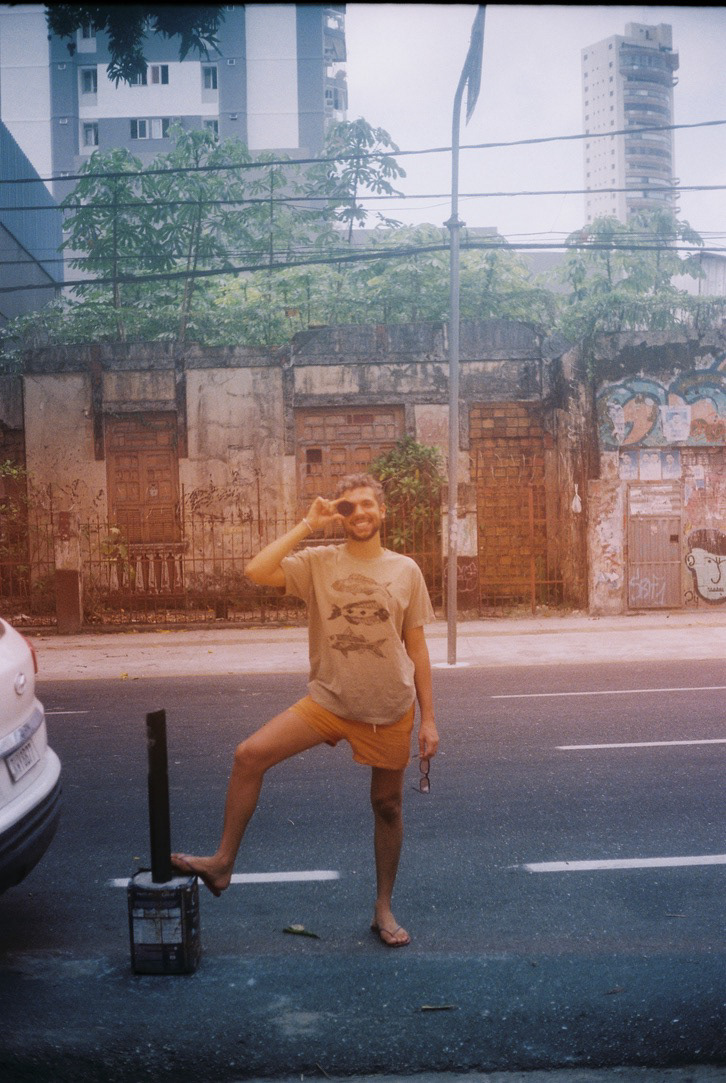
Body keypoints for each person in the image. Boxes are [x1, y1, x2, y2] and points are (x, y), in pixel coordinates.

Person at [172, 472, 438, 947]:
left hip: (388, 707)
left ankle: (383, 908)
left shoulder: (405, 570)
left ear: (382, 511)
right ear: (340, 514)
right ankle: (222, 863)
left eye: (367, 504)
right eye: (348, 506)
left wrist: (430, 719)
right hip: (328, 701)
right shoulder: (318, 562)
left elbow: (416, 647)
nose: (359, 513)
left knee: (387, 806)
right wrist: (308, 525)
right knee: (249, 755)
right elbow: (256, 571)